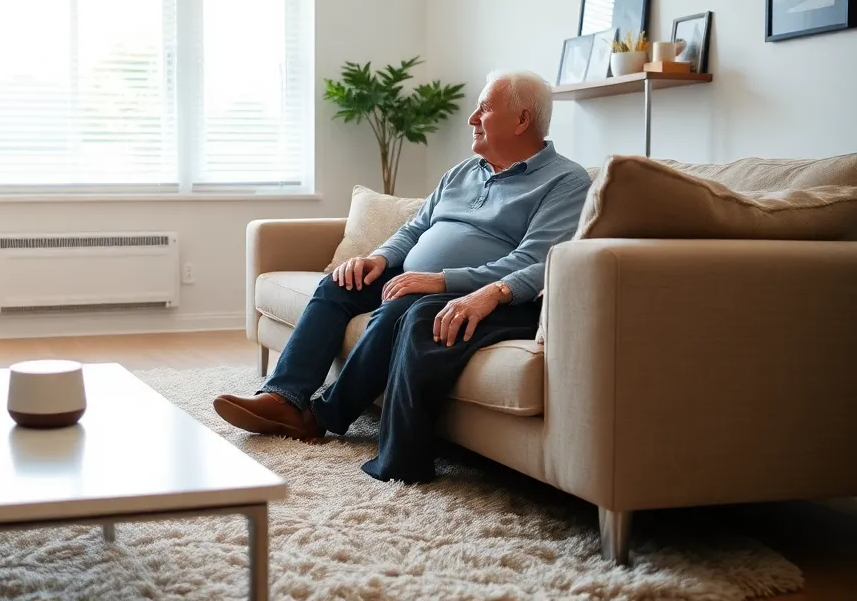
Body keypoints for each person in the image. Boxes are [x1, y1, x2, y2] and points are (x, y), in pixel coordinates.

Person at [213, 70, 592, 484]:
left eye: (484, 108)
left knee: (399, 309)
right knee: (341, 282)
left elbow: (536, 260)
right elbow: (416, 227)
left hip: (464, 289)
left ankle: (318, 418)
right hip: (411, 275)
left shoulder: (565, 181)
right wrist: (378, 257)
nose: (472, 118)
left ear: (521, 120)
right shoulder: (464, 171)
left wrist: (440, 280)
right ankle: (283, 396)